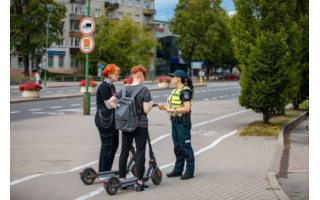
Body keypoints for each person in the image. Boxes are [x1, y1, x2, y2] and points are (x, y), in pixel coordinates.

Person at [108, 65, 154, 192]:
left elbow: (111, 101)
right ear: (143, 76)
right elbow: (146, 110)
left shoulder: (124, 89)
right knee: (140, 153)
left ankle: (122, 180)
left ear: (132, 75)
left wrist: (121, 110)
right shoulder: (144, 90)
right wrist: (150, 103)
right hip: (140, 125)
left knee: (124, 151)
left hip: (126, 125)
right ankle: (140, 183)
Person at [157, 69, 195, 180]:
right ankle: (178, 170)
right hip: (175, 121)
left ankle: (189, 171)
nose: (171, 78)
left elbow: (187, 108)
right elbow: (173, 106)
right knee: (177, 148)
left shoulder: (185, 91)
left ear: (179, 78)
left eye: (173, 76)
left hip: (183, 123)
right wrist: (165, 108)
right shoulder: (175, 91)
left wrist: (171, 109)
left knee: (185, 148)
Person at [95, 64, 121, 173]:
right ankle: (103, 171)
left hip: (111, 118)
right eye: (116, 74)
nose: (118, 76)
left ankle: (107, 171)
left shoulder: (111, 86)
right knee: (107, 145)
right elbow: (109, 105)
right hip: (104, 118)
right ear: (109, 75)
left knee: (114, 144)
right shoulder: (104, 86)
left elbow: (114, 101)